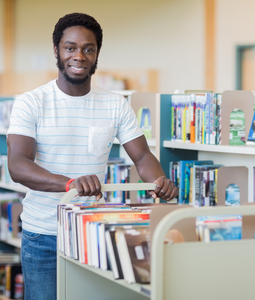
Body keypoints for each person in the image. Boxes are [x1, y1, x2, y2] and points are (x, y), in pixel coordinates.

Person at [6, 12, 178, 300]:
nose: (79, 56)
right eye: (70, 47)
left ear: (97, 53)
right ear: (57, 51)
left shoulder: (115, 105)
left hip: (94, 232)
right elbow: (18, 166)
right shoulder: (31, 102)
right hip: (43, 236)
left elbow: (142, 156)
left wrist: (159, 181)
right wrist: (69, 183)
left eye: (88, 49)